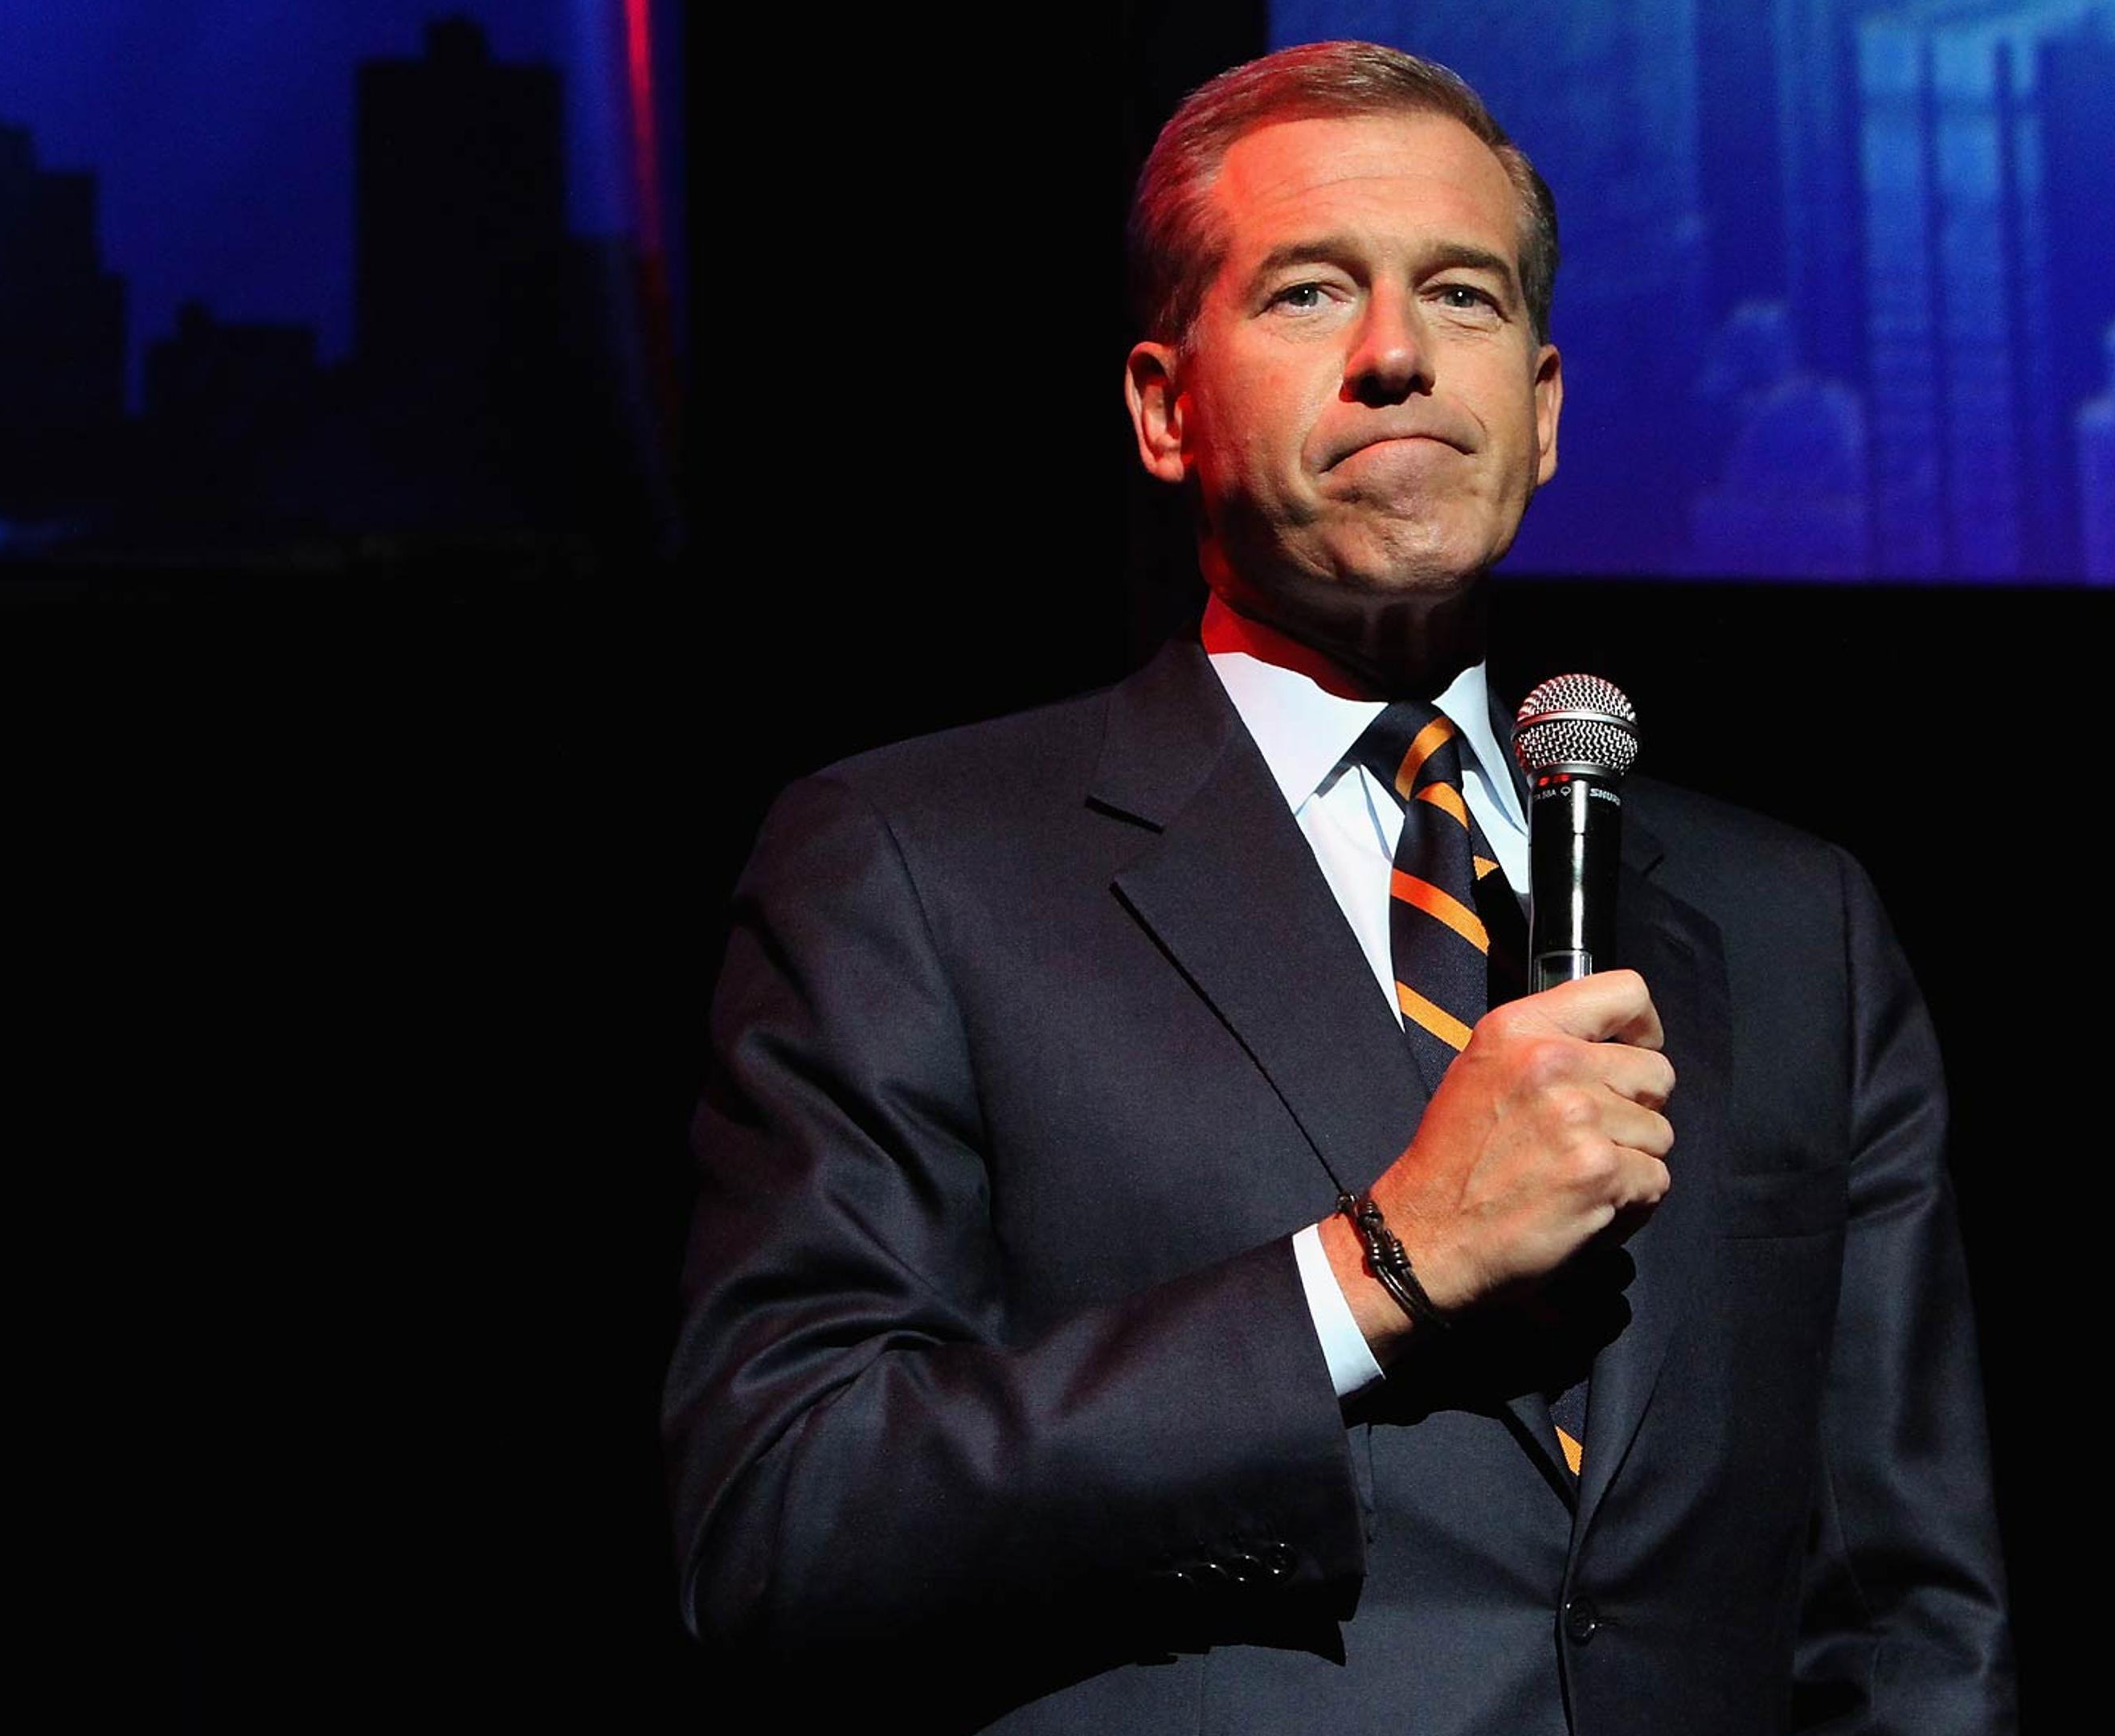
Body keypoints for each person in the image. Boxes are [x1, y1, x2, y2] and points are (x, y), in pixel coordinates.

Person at [663, 39, 2015, 1734]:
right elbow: (784, 1519)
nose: (1396, 355)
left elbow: (1908, 1618)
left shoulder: (1794, 920)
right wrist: (1380, 1267)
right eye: (1310, 292)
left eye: (1461, 295)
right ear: (1164, 408)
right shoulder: (915, 869)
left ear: (1542, 410)